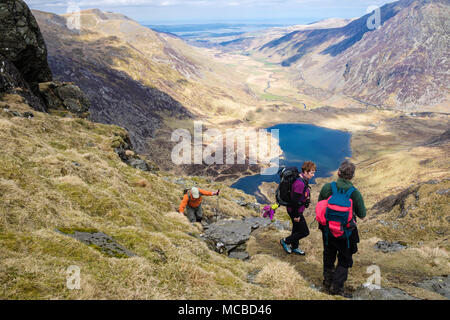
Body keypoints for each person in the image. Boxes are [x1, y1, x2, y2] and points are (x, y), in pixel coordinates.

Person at [317, 160, 366, 297]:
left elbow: (320, 206)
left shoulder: (327, 187)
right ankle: (337, 288)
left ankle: (327, 283)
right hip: (346, 233)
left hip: (328, 231)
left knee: (329, 254)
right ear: (352, 176)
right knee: (344, 260)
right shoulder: (354, 193)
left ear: (338, 173)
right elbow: (362, 214)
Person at [280, 161, 316, 255]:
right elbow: (294, 201)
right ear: (305, 171)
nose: (313, 174)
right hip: (294, 211)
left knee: (296, 229)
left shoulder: (302, 180)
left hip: (297, 210)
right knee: (304, 232)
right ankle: (285, 241)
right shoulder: (300, 183)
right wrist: (296, 215)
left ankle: (294, 247)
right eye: (311, 172)